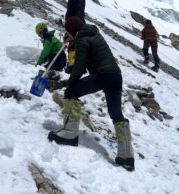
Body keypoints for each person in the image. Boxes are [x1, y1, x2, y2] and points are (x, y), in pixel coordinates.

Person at [48, 16, 135, 172]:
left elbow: (79, 68)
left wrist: (67, 83)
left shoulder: (82, 39)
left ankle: (69, 133)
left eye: (68, 31)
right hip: (115, 76)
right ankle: (126, 156)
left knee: (71, 92)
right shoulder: (93, 33)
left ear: (73, 30)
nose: (67, 33)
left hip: (102, 75)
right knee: (116, 113)